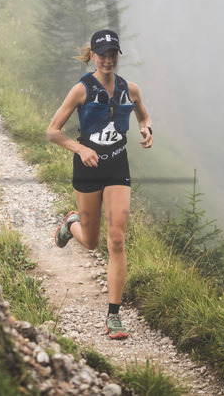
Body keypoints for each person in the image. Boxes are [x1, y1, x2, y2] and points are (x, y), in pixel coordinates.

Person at [46, 29, 153, 340]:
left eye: (113, 54)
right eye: (102, 54)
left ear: (118, 56)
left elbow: (143, 117)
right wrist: (80, 148)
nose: (108, 59)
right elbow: (53, 131)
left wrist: (147, 130)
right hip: (88, 168)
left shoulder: (130, 89)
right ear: (92, 55)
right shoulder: (81, 90)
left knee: (117, 239)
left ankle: (114, 316)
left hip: (118, 165)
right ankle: (71, 224)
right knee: (92, 242)